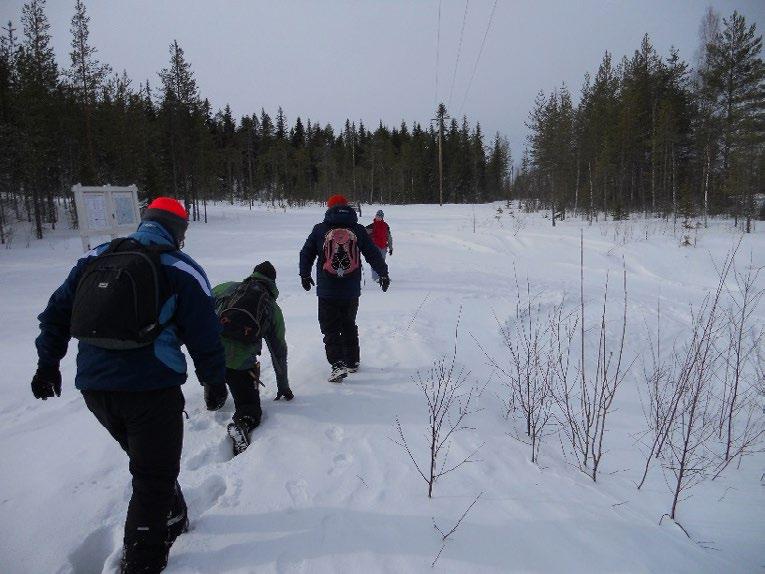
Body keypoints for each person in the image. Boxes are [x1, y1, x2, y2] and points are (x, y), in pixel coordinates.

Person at [31, 197, 227, 574]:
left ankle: (173, 516)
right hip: (151, 389)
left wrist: (47, 365)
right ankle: (142, 561)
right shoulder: (181, 268)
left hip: (94, 387)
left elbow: (54, 315)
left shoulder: (95, 258)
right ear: (179, 231)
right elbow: (205, 336)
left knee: (149, 465)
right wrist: (214, 381)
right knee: (153, 476)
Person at [299, 194, 390, 382]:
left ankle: (337, 364)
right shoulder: (357, 229)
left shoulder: (319, 229)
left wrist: (305, 275)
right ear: (348, 207)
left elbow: (306, 253)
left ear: (328, 208)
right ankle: (352, 361)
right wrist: (383, 273)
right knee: (348, 323)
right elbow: (372, 254)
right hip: (351, 288)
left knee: (330, 327)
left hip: (327, 288)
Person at [212, 261, 293, 455]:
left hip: (212, 356)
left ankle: (213, 396)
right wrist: (283, 385)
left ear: (253, 274)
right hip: (242, 365)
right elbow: (278, 351)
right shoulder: (272, 309)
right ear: (273, 282)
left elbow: (197, 308)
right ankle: (243, 423)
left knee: (214, 379)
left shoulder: (227, 288)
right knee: (249, 406)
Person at [365, 209, 393, 282]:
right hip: (374, 246)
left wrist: (391, 248)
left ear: (382, 217)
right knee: (375, 262)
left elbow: (389, 237)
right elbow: (363, 236)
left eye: (380, 216)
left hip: (383, 247)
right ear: (375, 216)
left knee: (382, 263)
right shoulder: (371, 226)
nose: (378, 217)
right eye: (377, 216)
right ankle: (376, 277)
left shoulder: (386, 226)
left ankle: (383, 276)